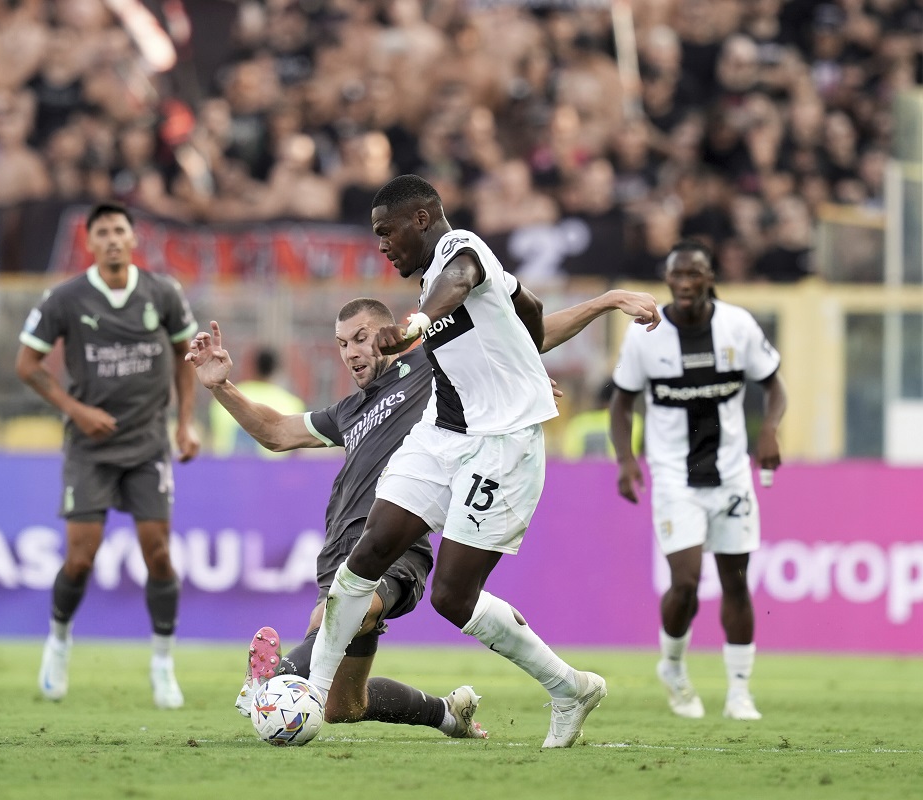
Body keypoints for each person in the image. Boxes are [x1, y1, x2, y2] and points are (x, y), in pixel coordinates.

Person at [187, 287, 657, 738]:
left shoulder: (429, 363)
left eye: (361, 337)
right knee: (342, 707)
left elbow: (524, 333)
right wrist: (221, 386)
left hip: (397, 543)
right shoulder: (349, 412)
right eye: (342, 343)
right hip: (339, 550)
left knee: (342, 616)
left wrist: (595, 311)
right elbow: (275, 432)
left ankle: (272, 681)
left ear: (388, 331)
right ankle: (449, 714)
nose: (351, 352)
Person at [295, 174, 661, 748]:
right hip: (442, 434)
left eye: (386, 232)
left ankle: (569, 687)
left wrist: (417, 325)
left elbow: (461, 280)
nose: (382, 246)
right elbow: (531, 312)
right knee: (368, 552)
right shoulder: (443, 281)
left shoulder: (460, 249)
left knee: (452, 597)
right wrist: (526, 361)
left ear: (420, 219)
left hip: (503, 444)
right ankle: (313, 698)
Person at [16, 201, 200, 709]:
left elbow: (187, 356)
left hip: (147, 445)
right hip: (90, 448)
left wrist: (184, 423)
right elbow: (27, 364)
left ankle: (162, 663)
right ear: (90, 242)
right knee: (80, 557)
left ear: (133, 238)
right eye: (103, 232)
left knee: (158, 552)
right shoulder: (67, 298)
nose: (113, 238)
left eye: (121, 229)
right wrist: (75, 409)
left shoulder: (162, 292)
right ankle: (57, 643)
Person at [609, 240, 786, 722]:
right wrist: (626, 460)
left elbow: (774, 386)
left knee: (735, 581)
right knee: (685, 582)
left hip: (730, 474)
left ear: (709, 278)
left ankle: (740, 692)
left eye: (695, 275)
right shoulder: (647, 334)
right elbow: (622, 403)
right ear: (669, 281)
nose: (685, 284)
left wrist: (768, 430)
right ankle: (672, 665)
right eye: (677, 276)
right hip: (673, 476)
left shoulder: (738, 326)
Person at [208, 346, 304, 458]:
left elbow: (211, 444)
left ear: (251, 366)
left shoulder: (224, 398)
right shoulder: (292, 404)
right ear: (276, 368)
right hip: (273, 472)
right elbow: (296, 457)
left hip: (228, 471)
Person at [560, 380, 642, 460]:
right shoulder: (633, 419)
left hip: (583, 472)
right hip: (619, 470)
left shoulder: (577, 422)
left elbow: (568, 458)